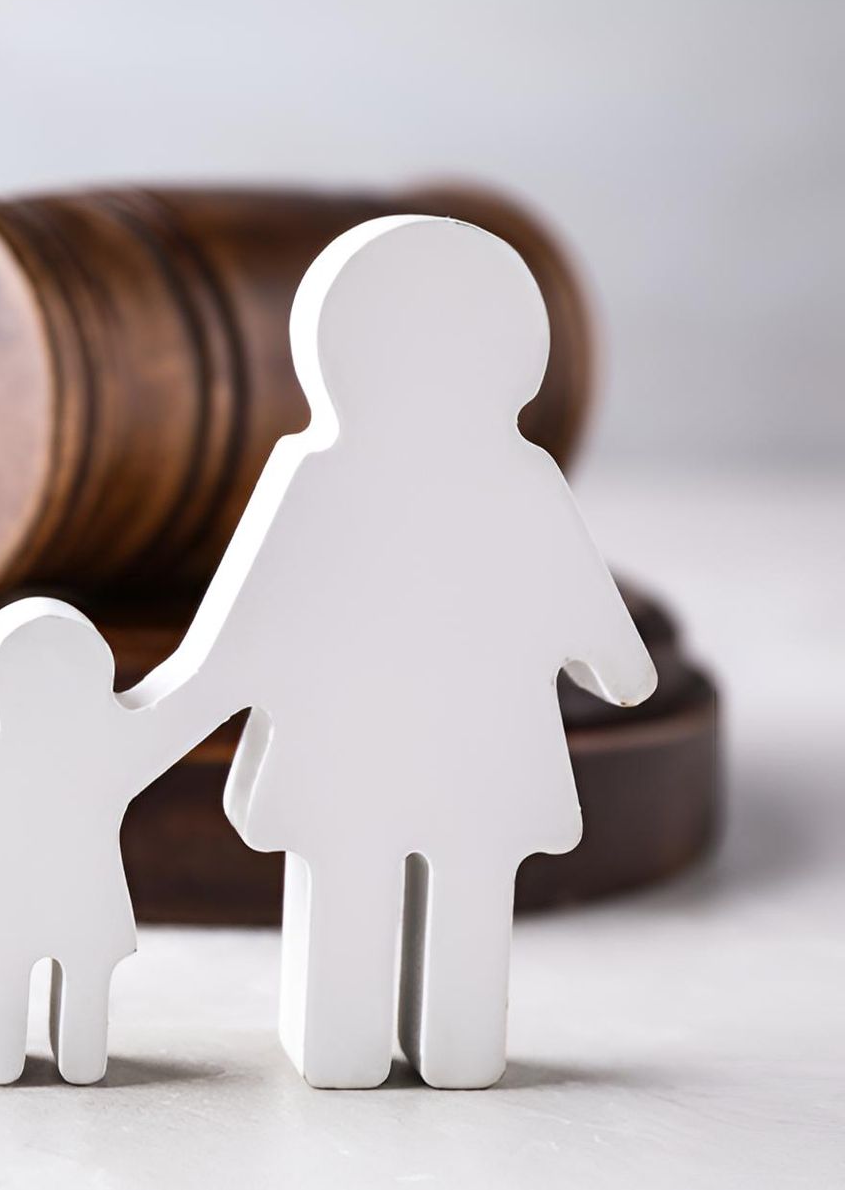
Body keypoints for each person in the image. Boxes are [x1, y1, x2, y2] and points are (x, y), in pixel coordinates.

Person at [137, 214, 658, 1089]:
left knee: (396, 874)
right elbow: (610, 652)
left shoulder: (438, 479)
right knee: (394, 875)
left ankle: (412, 1044)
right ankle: (393, 1044)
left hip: (386, 752)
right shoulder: (482, 479)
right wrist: (619, 666)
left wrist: (164, 717)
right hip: (461, 751)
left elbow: (237, 642)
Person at [0, 599, 212, 1085]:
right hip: (32, 907)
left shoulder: (84, 746)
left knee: (72, 982)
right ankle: (17, 1055)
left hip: (57, 907)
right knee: (15, 977)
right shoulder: (7, 754)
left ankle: (59, 1056)